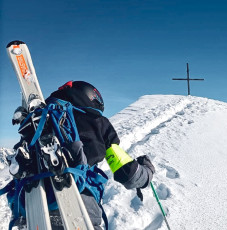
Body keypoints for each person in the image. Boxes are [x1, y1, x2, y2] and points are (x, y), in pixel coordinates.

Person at [8, 80, 155, 229]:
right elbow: (128, 174)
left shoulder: (40, 120)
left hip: (28, 210)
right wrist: (148, 171)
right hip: (80, 210)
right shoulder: (97, 122)